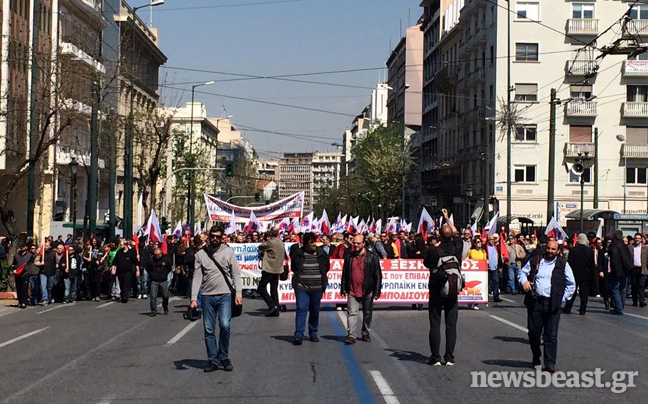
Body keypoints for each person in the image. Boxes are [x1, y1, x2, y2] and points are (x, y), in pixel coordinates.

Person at [191, 226, 243, 373]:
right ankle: (213, 360)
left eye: (218, 237)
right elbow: (197, 277)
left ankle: (224, 357)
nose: (215, 239)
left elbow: (236, 275)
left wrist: (238, 294)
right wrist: (194, 298)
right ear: (208, 237)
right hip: (207, 297)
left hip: (225, 295)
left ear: (222, 238)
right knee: (209, 329)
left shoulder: (228, 253)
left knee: (225, 325)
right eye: (212, 236)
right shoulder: (200, 254)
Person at [518, 240, 575, 372]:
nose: (550, 251)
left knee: (551, 335)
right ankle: (536, 357)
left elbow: (571, 284)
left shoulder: (563, 264)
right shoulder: (536, 261)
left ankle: (550, 363)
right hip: (536, 302)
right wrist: (524, 281)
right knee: (534, 333)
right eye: (548, 248)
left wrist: (561, 299)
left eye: (553, 249)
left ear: (557, 251)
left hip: (552, 304)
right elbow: (522, 272)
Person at [423, 209, 463, 366]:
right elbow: (457, 233)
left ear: (439, 235)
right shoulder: (457, 247)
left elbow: (427, 264)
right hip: (452, 291)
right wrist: (447, 218)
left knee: (435, 323)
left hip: (436, 290)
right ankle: (449, 357)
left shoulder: (433, 251)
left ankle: (435, 357)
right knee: (451, 325)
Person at [289, 232, 330, 345]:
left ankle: (313, 333)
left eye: (315, 242)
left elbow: (326, 267)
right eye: (311, 242)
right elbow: (294, 268)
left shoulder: (321, 253)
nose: (314, 245)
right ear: (305, 243)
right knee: (301, 309)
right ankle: (298, 335)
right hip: (301, 287)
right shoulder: (298, 254)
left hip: (317, 288)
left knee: (315, 311)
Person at [341, 234, 382, 345]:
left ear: (363, 243)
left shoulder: (372, 257)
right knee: (351, 313)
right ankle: (351, 335)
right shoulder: (349, 257)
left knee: (367, 313)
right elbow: (345, 274)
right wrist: (343, 288)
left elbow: (377, 275)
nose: (356, 245)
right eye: (354, 243)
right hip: (352, 290)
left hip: (368, 290)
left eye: (358, 243)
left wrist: (377, 291)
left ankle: (365, 332)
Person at [562, 234, 595, 315]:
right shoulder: (590, 251)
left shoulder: (573, 250)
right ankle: (582, 309)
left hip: (575, 274)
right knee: (584, 293)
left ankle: (568, 308)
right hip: (586, 274)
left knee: (572, 292)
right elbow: (592, 264)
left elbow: (570, 263)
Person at [257, 228, 285, 317]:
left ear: (271, 236)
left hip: (270, 269)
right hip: (277, 269)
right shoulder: (280, 242)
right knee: (273, 290)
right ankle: (276, 309)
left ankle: (272, 305)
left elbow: (261, 246)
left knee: (261, 288)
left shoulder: (271, 242)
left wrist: (266, 241)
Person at [608, 230, 633, 315]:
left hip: (617, 270)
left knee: (615, 288)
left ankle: (619, 308)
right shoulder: (624, 245)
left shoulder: (613, 245)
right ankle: (621, 306)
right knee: (623, 288)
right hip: (625, 270)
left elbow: (614, 257)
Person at [110, 239, 140, 303]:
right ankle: (122, 295)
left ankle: (125, 297)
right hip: (120, 272)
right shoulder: (119, 252)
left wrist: (137, 270)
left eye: (121, 245)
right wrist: (113, 269)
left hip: (128, 272)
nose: (120, 246)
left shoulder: (131, 252)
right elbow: (114, 262)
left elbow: (136, 262)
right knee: (121, 285)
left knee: (126, 284)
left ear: (125, 245)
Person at [147, 247, 173, 316]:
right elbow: (148, 268)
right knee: (153, 296)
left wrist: (164, 274)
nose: (158, 256)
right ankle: (153, 310)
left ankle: (165, 306)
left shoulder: (166, 259)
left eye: (159, 254)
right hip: (154, 280)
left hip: (163, 280)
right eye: (156, 255)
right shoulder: (151, 260)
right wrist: (152, 274)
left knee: (165, 295)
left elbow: (169, 268)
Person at [11, 243, 34, 309]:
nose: (22, 248)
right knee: (19, 288)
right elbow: (14, 264)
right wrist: (13, 270)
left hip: (25, 273)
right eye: (21, 247)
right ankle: (20, 301)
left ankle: (24, 302)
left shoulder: (30, 255)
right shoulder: (16, 255)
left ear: (26, 247)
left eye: (23, 247)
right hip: (18, 274)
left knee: (24, 288)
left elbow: (34, 262)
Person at [628, 232, 648, 308]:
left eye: (639, 238)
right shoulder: (630, 247)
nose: (637, 240)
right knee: (634, 285)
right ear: (634, 239)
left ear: (641, 239)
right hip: (633, 269)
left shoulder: (645, 248)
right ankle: (635, 301)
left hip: (642, 268)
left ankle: (641, 301)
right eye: (636, 238)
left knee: (642, 285)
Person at [485, 235, 504, 303]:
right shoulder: (485, 247)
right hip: (486, 268)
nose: (492, 241)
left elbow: (499, 257)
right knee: (486, 283)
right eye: (491, 239)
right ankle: (485, 296)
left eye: (493, 239)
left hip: (495, 267)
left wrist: (500, 266)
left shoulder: (496, 247)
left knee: (495, 282)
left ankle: (496, 297)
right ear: (488, 240)